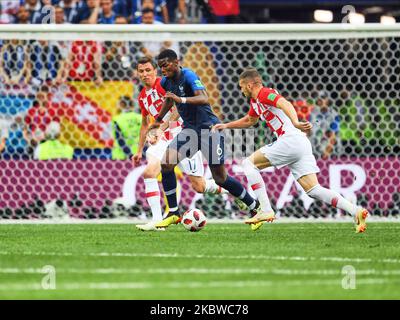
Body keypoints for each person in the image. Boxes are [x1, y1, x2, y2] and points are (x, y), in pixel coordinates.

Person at [212, 68, 369, 233]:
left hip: (290, 140)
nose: (241, 90)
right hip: (300, 143)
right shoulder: (255, 102)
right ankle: (355, 211)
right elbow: (250, 120)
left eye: (242, 86)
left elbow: (284, 103)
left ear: (250, 85)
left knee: (248, 164)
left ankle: (265, 209)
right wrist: (226, 125)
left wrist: (295, 121)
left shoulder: (265, 93)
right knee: (313, 190)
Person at [148, 50, 263, 230]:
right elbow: (169, 101)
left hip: (209, 129)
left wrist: (181, 99)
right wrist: (157, 121)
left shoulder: (189, 75)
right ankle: (173, 213)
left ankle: (254, 206)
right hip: (190, 131)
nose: (163, 69)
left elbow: (204, 98)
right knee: (167, 163)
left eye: (166, 64)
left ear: (176, 62)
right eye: (160, 66)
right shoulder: (165, 81)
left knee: (220, 178)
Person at [132, 56, 228, 231]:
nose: (145, 74)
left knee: (199, 186)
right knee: (149, 172)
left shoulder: (165, 84)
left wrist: (163, 127)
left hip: (182, 135)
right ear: (137, 74)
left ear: (155, 71)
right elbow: (145, 123)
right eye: (141, 71)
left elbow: (176, 109)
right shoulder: (142, 97)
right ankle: (157, 221)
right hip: (161, 141)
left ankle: (229, 190)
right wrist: (139, 151)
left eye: (148, 70)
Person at [111, 96, 142, 160]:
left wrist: (129, 155)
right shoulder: (140, 118)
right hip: (138, 154)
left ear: (121, 104)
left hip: (120, 156)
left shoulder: (117, 119)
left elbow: (120, 139)